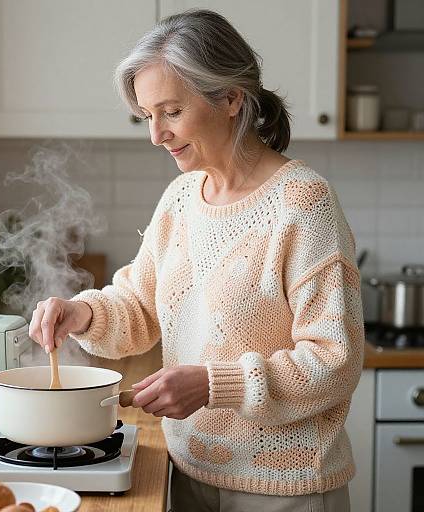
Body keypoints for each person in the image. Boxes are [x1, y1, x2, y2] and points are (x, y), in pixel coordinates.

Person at [29, 9, 363, 511]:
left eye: (171, 112)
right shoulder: (183, 197)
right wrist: (84, 313)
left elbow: (335, 361)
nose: (155, 135)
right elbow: (139, 307)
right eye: (147, 116)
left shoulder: (303, 203)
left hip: (285, 489)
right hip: (184, 472)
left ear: (230, 98)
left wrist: (213, 384)